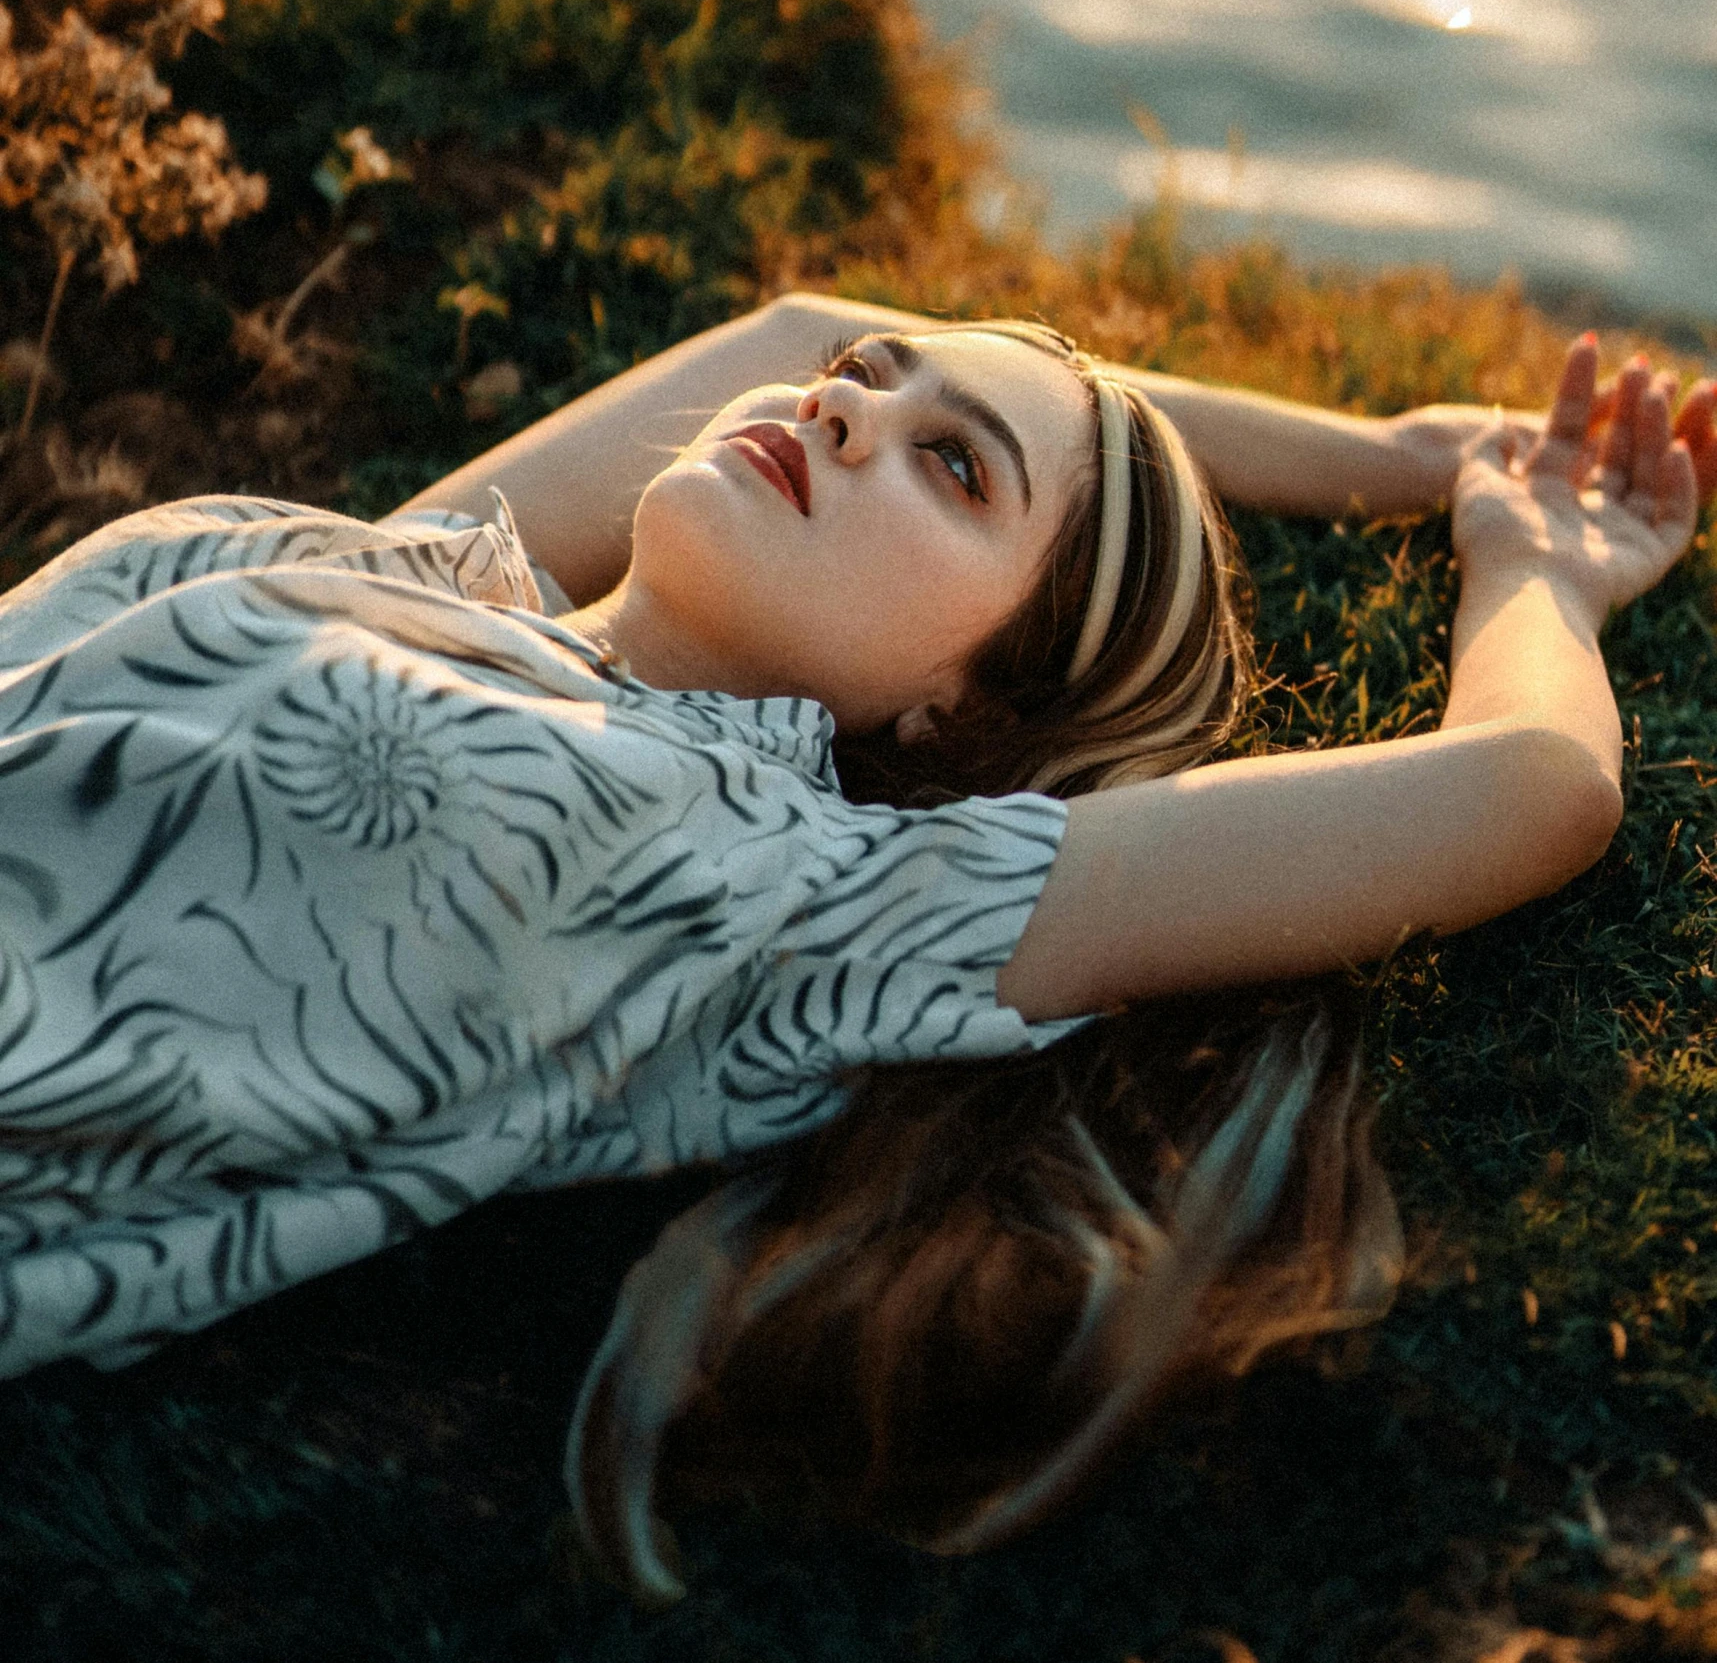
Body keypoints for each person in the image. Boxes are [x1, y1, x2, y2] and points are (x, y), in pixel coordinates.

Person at [0, 291, 1706, 1601]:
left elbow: (1532, 788)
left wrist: (1526, 553)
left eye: (955, 466)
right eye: (880, 378)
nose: (846, 405)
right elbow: (804, 322)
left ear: (962, 710)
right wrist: (1395, 454)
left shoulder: (800, 883)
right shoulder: (410, 566)